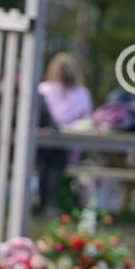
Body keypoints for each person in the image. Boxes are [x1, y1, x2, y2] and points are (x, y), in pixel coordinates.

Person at [35, 53, 93, 216]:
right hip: (65, 146)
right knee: (54, 159)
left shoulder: (43, 89)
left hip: (47, 145)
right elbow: (87, 121)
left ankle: (46, 204)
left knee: (52, 158)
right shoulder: (82, 93)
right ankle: (47, 204)